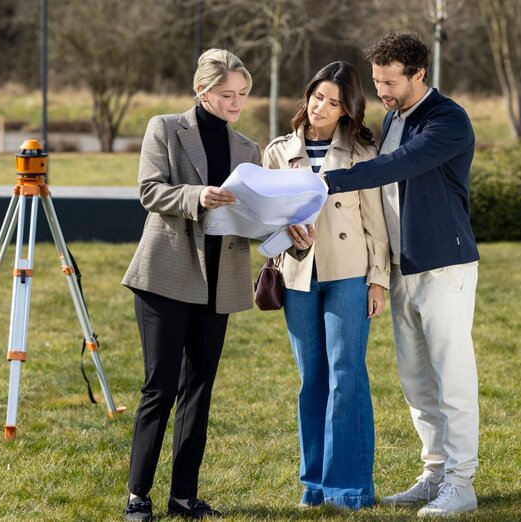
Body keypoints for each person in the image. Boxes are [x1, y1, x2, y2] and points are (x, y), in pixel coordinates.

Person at [321, 32, 480, 517]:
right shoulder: (393, 118)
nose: (382, 92)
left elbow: (400, 164)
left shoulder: (447, 120)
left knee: (452, 378)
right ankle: (434, 474)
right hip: (400, 268)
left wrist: (328, 181)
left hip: (443, 267)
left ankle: (461, 483)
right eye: (377, 81)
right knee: (416, 381)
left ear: (419, 75)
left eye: (391, 82)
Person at [120, 48, 260, 521]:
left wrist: (281, 224)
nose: (237, 103)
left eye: (242, 93)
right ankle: (138, 495)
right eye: (227, 94)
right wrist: (197, 195)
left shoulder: (248, 149)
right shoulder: (164, 128)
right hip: (166, 273)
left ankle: (183, 496)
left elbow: (251, 214)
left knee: (199, 389)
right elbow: (149, 191)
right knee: (160, 388)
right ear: (201, 91)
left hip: (220, 280)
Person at [263, 61, 390, 510]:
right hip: (297, 276)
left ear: (346, 110)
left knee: (346, 376)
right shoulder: (278, 152)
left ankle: (350, 488)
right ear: (308, 96)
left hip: (350, 275)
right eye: (318, 96)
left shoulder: (361, 153)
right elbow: (265, 216)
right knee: (311, 379)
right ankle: (315, 485)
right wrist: (283, 231)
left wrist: (378, 281)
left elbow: (376, 223)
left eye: (333, 102)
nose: (321, 107)